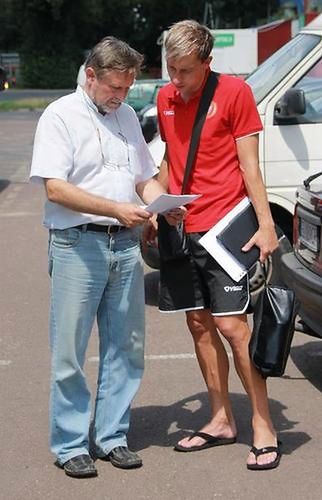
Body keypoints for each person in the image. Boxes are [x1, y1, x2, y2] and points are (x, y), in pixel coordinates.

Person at [30, 36, 183, 479]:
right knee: (70, 352)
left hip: (124, 244)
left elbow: (143, 177)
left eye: (127, 88)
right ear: (91, 75)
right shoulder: (60, 115)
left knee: (127, 346)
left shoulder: (127, 116)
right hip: (78, 243)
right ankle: (71, 443)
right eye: (114, 87)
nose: (120, 96)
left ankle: (112, 435)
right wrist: (114, 208)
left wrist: (163, 202)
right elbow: (55, 188)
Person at [146, 20, 281, 471]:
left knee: (232, 328)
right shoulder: (165, 97)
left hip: (226, 228)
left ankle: (264, 424)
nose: (175, 81)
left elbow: (251, 168)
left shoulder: (237, 94)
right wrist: (153, 206)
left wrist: (265, 225)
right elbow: (172, 159)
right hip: (182, 227)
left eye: (185, 71)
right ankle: (221, 418)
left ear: (208, 63)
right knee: (200, 326)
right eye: (170, 69)